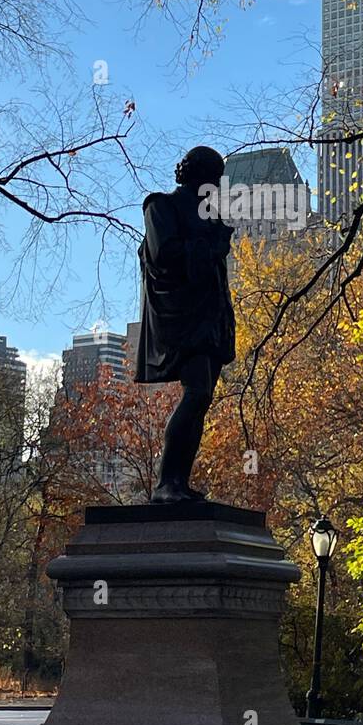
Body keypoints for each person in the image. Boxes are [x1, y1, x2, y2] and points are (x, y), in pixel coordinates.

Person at [135, 146, 235, 503]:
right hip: (181, 317)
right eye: (214, 177)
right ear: (197, 175)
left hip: (209, 317)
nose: (217, 185)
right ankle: (166, 483)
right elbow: (165, 254)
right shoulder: (161, 205)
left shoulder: (212, 217)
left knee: (203, 397)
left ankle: (178, 481)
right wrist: (212, 247)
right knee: (196, 394)